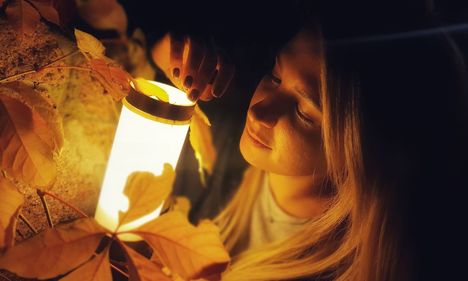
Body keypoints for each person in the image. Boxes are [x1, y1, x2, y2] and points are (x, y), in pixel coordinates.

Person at [150, 6, 467, 281]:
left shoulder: (341, 269)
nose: (260, 110)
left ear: (365, 150)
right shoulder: (224, 146)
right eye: (275, 76)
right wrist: (169, 54)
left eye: (304, 112)